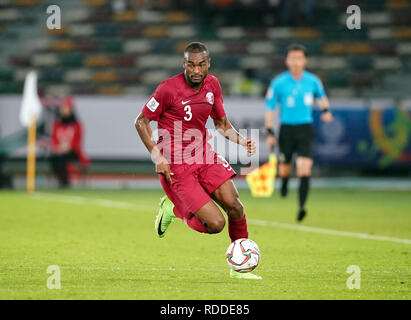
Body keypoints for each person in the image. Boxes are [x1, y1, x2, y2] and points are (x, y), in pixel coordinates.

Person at [135, 42, 261, 280]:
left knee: (235, 206)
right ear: (184, 64)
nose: (195, 70)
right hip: (177, 165)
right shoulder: (167, 89)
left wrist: (242, 141)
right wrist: (156, 155)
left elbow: (222, 125)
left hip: (204, 155)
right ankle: (173, 209)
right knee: (215, 224)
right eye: (191, 65)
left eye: (200, 65)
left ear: (208, 64)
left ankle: (239, 269)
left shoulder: (213, 84)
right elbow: (141, 122)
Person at [264, 43, 333, 222]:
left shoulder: (313, 81)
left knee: (304, 168)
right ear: (287, 61)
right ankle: (285, 181)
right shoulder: (279, 83)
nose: (295, 62)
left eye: (299, 58)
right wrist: (270, 132)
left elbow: (322, 97)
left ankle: (302, 206)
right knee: (285, 166)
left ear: (305, 60)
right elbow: (270, 108)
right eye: (292, 58)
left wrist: (326, 111)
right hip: (286, 130)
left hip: (305, 129)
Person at [50, 97, 89, 188]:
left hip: (73, 152)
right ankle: (63, 181)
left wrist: (67, 147)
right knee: (55, 158)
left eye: (67, 108)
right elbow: (54, 139)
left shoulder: (77, 124)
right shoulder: (57, 123)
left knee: (61, 158)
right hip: (60, 151)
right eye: (63, 108)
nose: (64, 110)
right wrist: (58, 148)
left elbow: (78, 141)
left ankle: (65, 183)